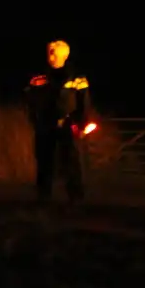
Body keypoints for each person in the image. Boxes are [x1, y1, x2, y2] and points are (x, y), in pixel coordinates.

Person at [24, 39, 93, 205]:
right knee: (44, 161)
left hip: (69, 124)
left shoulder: (77, 77)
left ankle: (76, 197)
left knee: (71, 161)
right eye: (49, 52)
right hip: (45, 124)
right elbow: (30, 100)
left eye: (53, 52)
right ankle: (43, 196)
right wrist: (34, 119)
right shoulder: (38, 77)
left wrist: (81, 124)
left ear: (64, 55)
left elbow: (84, 102)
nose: (50, 56)